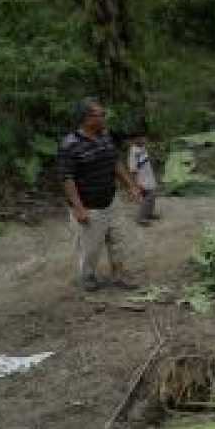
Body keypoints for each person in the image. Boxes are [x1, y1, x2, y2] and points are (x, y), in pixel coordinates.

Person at [57, 98, 142, 292]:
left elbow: (115, 163)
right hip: (89, 206)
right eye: (100, 114)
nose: (104, 117)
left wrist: (131, 186)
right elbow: (66, 178)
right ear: (87, 119)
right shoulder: (70, 145)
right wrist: (78, 208)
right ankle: (87, 277)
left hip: (111, 201)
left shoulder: (105, 136)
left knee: (119, 240)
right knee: (90, 248)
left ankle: (119, 274)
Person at [127, 129, 159, 226]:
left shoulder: (142, 148)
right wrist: (136, 184)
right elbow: (132, 170)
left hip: (148, 177)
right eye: (140, 138)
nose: (143, 140)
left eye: (143, 137)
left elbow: (146, 162)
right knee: (148, 197)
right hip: (141, 179)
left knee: (151, 197)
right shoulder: (133, 152)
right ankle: (140, 218)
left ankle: (148, 214)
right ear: (134, 140)